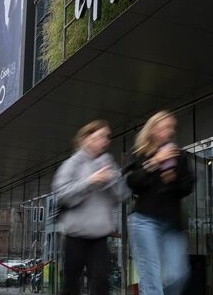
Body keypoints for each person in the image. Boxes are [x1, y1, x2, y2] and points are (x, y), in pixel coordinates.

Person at [52, 120, 129, 295]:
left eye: (107, 137)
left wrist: (112, 180)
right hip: (75, 236)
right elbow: (63, 194)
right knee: (71, 285)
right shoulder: (72, 163)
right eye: (100, 136)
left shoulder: (108, 162)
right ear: (86, 139)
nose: (105, 141)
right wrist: (90, 181)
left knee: (101, 283)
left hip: (100, 237)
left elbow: (122, 195)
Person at [127, 111, 194, 295]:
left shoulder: (179, 155)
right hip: (144, 221)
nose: (168, 131)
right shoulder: (139, 153)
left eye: (171, 127)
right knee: (151, 276)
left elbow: (188, 187)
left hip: (172, 223)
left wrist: (173, 177)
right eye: (164, 127)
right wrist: (156, 161)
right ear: (153, 129)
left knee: (178, 274)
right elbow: (133, 183)